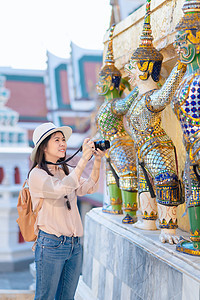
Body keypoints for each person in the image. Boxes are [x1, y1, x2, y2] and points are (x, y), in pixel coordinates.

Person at [122, 0, 186, 243]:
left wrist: (179, 66)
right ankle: (148, 220)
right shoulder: (137, 97)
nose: (128, 73)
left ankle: (169, 228)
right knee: (145, 187)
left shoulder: (150, 97)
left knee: (165, 181)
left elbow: (164, 96)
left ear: (145, 67)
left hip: (157, 146)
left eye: (132, 67)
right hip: (142, 148)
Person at [28, 122, 105, 300]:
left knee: (67, 298)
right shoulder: (37, 175)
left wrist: (97, 159)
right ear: (44, 146)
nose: (63, 143)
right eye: (57, 140)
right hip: (51, 244)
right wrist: (83, 159)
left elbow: (89, 188)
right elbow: (61, 189)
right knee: (45, 298)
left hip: (74, 246)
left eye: (63, 139)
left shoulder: (65, 171)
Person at [95, 24, 138, 224]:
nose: (99, 84)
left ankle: (130, 212)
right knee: (112, 178)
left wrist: (138, 87)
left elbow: (126, 104)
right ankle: (115, 205)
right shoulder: (104, 106)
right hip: (108, 146)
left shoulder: (114, 105)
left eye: (102, 80)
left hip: (121, 144)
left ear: (111, 82)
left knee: (127, 175)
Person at [172, 0, 200, 256]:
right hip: (190, 147)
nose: (179, 46)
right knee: (193, 191)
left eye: (183, 39)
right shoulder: (187, 79)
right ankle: (197, 238)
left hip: (198, 146)